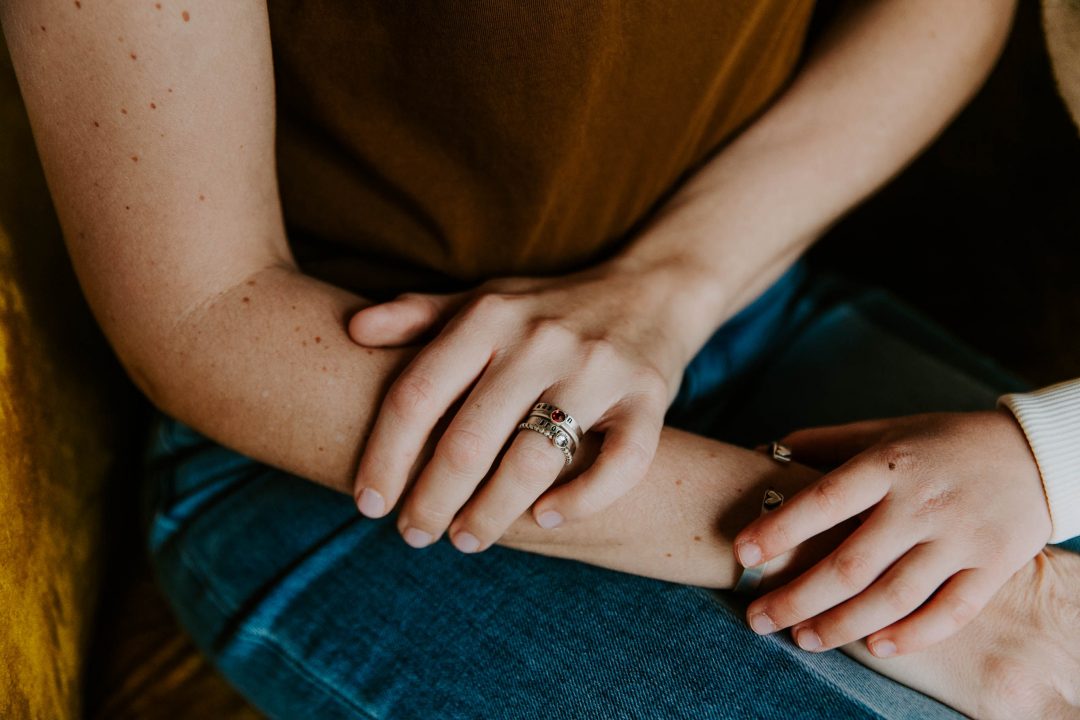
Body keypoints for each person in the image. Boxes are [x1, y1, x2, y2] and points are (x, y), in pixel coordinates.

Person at [3, 0, 1078, 718]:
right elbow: (206, 309)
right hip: (345, 450)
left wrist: (672, 283)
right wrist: (888, 570)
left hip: (750, 285)